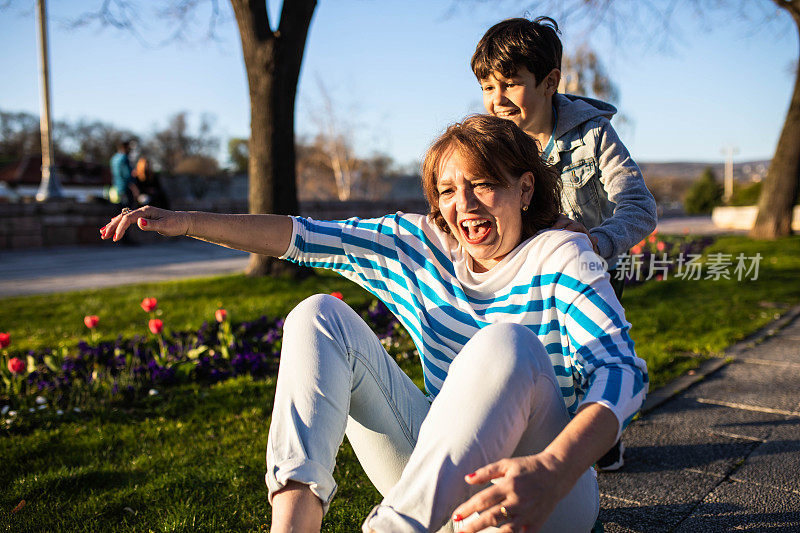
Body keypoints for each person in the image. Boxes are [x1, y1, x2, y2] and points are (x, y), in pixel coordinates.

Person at [102, 115, 648, 533]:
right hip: (442, 479)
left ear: (525, 189)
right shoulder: (418, 245)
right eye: (449, 191)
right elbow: (302, 236)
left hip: (546, 497)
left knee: (506, 343)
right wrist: (180, 222)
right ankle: (293, 523)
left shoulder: (563, 255)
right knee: (318, 315)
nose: (465, 206)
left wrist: (553, 468)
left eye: (484, 184)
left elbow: (622, 373)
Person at [471, 17, 658, 470]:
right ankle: (535, 438)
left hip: (590, 270)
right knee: (532, 359)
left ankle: (599, 435)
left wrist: (597, 241)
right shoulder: (491, 142)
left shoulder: (593, 135)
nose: (497, 100)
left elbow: (639, 207)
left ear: (550, 81)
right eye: (487, 86)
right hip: (525, 274)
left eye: (511, 85)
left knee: (588, 358)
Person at [110, 141, 140, 208]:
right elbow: (127, 175)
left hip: (116, 187)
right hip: (126, 188)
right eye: (129, 148)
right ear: (125, 148)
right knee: (129, 210)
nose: (130, 151)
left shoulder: (114, 158)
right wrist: (134, 187)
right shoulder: (124, 158)